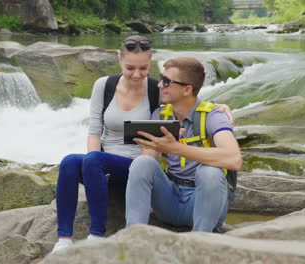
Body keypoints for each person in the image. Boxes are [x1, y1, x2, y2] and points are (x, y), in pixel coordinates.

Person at [52, 38, 234, 252]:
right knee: (70, 162)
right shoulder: (105, 86)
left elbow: (188, 97)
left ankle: (97, 235)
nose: (137, 74)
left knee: (98, 160)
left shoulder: (156, 89)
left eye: (144, 68)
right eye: (130, 67)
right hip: (106, 163)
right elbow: (94, 130)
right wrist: (96, 170)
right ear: (119, 59)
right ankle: (64, 239)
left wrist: (220, 107)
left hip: (134, 168)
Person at [125, 57, 242, 232]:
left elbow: (234, 159)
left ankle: (200, 241)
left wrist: (175, 148)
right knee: (141, 163)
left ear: (187, 89)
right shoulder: (160, 114)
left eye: (166, 82)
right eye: (160, 79)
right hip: (169, 201)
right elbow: (145, 163)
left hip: (203, 204)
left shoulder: (213, 116)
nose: (159, 85)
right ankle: (133, 235)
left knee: (210, 171)